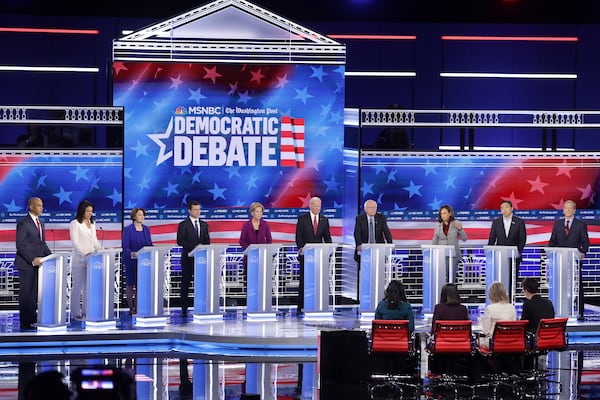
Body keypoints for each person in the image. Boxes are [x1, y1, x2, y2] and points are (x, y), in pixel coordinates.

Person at [548, 199, 589, 320]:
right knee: (558, 284)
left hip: (574, 261)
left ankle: (579, 312)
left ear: (574, 210)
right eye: (565, 208)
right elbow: (553, 241)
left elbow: (585, 242)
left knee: (577, 286)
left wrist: (582, 252)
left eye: (569, 208)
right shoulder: (558, 224)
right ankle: (557, 310)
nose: (567, 210)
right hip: (559, 262)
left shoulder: (580, 225)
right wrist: (550, 252)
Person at [15, 197, 52, 331]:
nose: (42, 208)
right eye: (39, 206)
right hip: (26, 264)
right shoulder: (23, 223)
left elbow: (42, 244)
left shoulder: (41, 222)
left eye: (42, 205)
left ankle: (32, 319)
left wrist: (51, 256)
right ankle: (25, 321)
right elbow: (20, 246)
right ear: (31, 207)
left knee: (34, 293)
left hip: (39, 264)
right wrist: (32, 259)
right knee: (26, 293)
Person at [295, 196, 332, 313]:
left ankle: (319, 305)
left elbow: (327, 237)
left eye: (319, 206)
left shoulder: (324, 220)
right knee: (304, 281)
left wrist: (328, 249)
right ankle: (301, 307)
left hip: (320, 256)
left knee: (319, 280)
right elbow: (299, 236)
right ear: (310, 206)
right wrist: (301, 248)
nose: (317, 208)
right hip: (306, 256)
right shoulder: (302, 219)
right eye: (315, 206)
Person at [353, 199, 393, 301]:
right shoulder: (359, 219)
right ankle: (362, 297)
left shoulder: (381, 218)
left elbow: (386, 231)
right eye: (370, 207)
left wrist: (390, 244)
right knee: (364, 275)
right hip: (364, 251)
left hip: (378, 251)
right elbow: (357, 233)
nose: (373, 209)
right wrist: (358, 245)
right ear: (365, 209)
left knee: (379, 274)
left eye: (374, 207)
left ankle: (380, 296)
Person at [177, 200, 210, 319]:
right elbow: (180, 241)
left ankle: (202, 307)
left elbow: (207, 241)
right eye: (195, 209)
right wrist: (194, 248)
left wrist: (202, 248)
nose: (198, 211)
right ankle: (184, 309)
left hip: (201, 260)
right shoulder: (183, 225)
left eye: (199, 209)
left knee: (202, 283)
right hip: (187, 258)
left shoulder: (204, 225)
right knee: (185, 283)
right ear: (189, 211)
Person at [69, 200, 102, 320]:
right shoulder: (75, 223)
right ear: (82, 211)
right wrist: (84, 253)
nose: (90, 213)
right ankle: (75, 312)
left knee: (89, 286)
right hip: (79, 259)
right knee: (77, 286)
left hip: (92, 260)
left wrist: (101, 250)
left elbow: (94, 240)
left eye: (91, 211)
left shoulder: (92, 223)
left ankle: (86, 311)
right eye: (87, 211)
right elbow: (75, 242)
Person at [488, 199, 527, 296]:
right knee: (499, 277)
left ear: (512, 209)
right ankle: (499, 297)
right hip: (499, 257)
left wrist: (519, 251)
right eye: (502, 208)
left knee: (513, 277)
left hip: (514, 256)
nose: (504, 210)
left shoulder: (519, 222)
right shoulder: (496, 222)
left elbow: (522, 238)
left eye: (506, 207)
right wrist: (489, 252)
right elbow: (492, 238)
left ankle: (511, 296)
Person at [122, 207, 153, 316]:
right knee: (131, 285)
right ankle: (132, 308)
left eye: (143, 215)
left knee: (141, 284)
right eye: (139, 215)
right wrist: (131, 253)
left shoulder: (146, 229)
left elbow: (149, 245)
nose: (142, 217)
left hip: (144, 261)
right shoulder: (128, 229)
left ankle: (139, 306)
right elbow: (125, 246)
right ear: (134, 216)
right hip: (131, 260)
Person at [431, 204, 467, 279]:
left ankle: (452, 290)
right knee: (442, 276)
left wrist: (460, 229)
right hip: (441, 254)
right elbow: (435, 240)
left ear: (450, 213)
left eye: (444, 213)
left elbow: (464, 238)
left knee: (452, 276)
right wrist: (431, 252)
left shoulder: (456, 223)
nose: (442, 215)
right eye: (441, 214)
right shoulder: (438, 225)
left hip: (453, 255)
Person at [480, 281, 516, 347]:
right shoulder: (511, 307)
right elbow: (514, 327)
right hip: (510, 341)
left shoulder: (489, 308)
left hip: (494, 343)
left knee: (477, 342)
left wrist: (482, 323)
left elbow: (486, 331)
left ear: (491, 295)